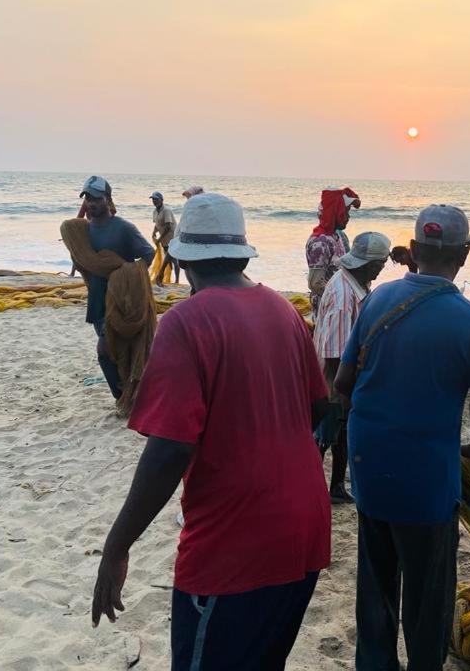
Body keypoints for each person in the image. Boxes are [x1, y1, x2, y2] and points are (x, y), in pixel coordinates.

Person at [91, 193, 332, 669]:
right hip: (304, 528)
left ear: (181, 257)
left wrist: (115, 549)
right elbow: (319, 408)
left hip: (234, 546)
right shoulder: (283, 310)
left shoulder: (186, 322)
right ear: (242, 253)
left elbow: (169, 451)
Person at [335, 205, 470, 671]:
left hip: (370, 467)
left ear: (415, 250)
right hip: (427, 478)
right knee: (428, 599)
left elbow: (343, 384)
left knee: (375, 583)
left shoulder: (377, 300)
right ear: (463, 256)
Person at [312, 231, 391, 504]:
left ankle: (334, 487)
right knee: (325, 438)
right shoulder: (345, 299)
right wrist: (343, 395)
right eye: (380, 264)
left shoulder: (351, 284)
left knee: (340, 437)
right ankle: (314, 486)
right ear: (368, 264)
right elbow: (336, 355)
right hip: (332, 382)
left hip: (336, 380)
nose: (381, 270)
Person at [71, 176, 154, 401]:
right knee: (114, 349)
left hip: (122, 300)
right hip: (97, 297)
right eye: (87, 197)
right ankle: (126, 394)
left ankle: (122, 396)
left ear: (107, 199)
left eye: (96, 198)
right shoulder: (83, 231)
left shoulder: (124, 228)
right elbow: (83, 258)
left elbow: (149, 254)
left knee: (105, 349)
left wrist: (128, 280)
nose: (91, 202)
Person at [306, 187, 361, 313]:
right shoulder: (320, 242)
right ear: (334, 212)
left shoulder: (339, 236)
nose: (348, 216)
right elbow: (316, 284)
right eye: (345, 212)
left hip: (340, 303)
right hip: (330, 306)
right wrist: (342, 298)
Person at [150, 191, 179, 286]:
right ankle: (168, 278)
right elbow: (157, 224)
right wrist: (154, 232)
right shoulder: (155, 211)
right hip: (164, 240)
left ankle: (177, 281)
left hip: (172, 238)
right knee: (168, 259)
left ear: (162, 200)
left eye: (156, 199)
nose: (154, 201)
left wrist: (159, 238)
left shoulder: (166, 210)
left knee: (174, 259)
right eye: (153, 199)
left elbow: (168, 227)